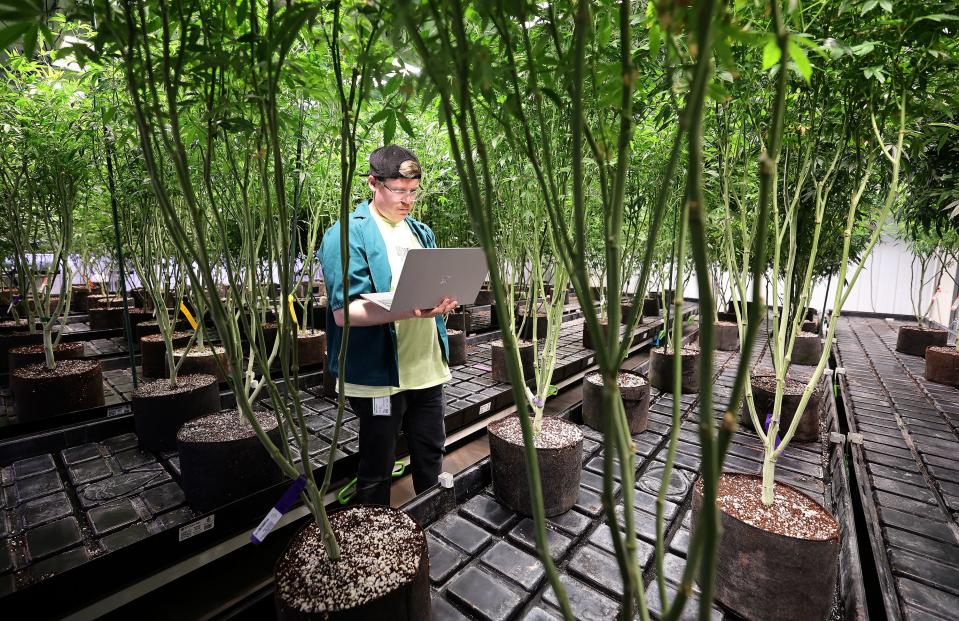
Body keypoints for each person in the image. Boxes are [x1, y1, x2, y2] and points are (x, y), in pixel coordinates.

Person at [319, 145, 458, 506]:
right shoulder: (346, 234)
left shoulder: (420, 232)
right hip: (379, 375)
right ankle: (371, 529)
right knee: (377, 462)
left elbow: (431, 292)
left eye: (413, 191)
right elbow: (344, 313)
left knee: (431, 453)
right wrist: (411, 310)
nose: (407, 200)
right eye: (399, 190)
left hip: (425, 369)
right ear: (373, 183)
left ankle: (434, 519)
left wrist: (441, 305)